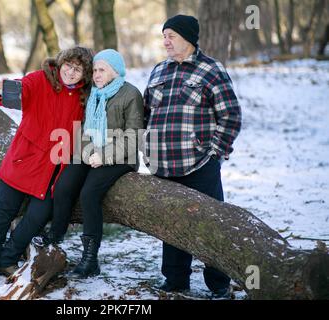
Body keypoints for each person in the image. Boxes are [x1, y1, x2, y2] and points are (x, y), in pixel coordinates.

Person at [0, 46, 94, 285]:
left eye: (77, 69)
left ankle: (7, 258)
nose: (70, 72)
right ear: (60, 64)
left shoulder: (84, 97)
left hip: (51, 171)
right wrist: (0, 89)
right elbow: (16, 91)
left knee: (37, 216)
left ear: (84, 74)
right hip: (23, 160)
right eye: (68, 65)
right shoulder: (40, 80)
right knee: (2, 213)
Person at [143, 15, 242, 298]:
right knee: (171, 224)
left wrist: (215, 153)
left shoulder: (210, 69)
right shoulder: (159, 70)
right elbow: (146, 113)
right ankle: (175, 280)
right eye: (164, 36)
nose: (165, 42)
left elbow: (231, 115)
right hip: (163, 165)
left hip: (200, 163)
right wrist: (146, 147)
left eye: (171, 36)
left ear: (188, 38)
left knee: (211, 225)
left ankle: (219, 284)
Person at [40, 49, 144, 278]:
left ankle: (90, 260)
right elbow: (84, 130)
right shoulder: (93, 93)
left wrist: (104, 156)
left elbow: (133, 136)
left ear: (115, 72)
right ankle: (55, 238)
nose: (96, 74)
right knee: (65, 185)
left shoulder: (131, 94)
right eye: (94, 70)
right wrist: (88, 152)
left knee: (88, 193)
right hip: (91, 152)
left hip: (120, 157)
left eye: (101, 70)